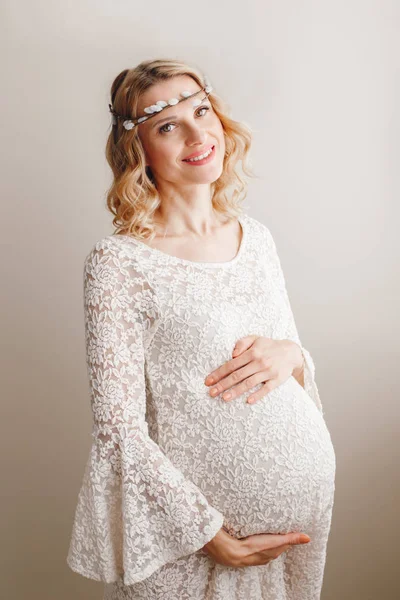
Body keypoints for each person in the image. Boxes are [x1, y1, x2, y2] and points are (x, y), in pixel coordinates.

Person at [66, 58, 336, 600]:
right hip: (190, 542)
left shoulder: (255, 238)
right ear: (137, 148)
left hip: (298, 535)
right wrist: (208, 534)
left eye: (202, 111)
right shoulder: (119, 263)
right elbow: (118, 432)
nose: (197, 134)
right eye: (168, 126)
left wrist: (292, 356)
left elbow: (291, 361)